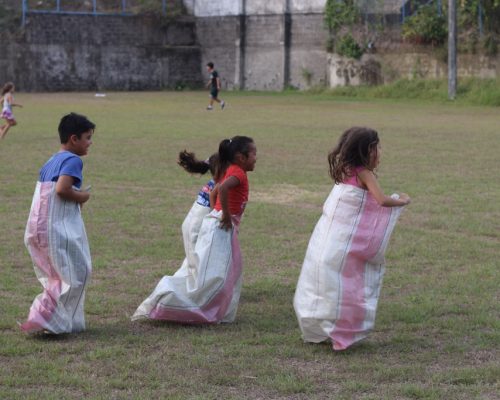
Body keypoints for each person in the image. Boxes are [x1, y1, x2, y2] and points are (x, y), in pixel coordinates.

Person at [293, 127, 410, 351]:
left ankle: (324, 326)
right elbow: (381, 200)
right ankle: (341, 330)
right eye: (378, 147)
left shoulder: (346, 170)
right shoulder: (364, 173)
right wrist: (402, 201)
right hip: (343, 241)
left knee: (329, 284)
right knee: (346, 284)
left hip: (331, 239)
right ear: (368, 150)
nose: (380, 152)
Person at [132, 136, 257, 324]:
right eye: (254, 154)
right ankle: (174, 302)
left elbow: (215, 191)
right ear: (240, 157)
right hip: (213, 227)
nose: (256, 157)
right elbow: (221, 189)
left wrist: (215, 212)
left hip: (212, 225)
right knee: (209, 274)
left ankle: (218, 309)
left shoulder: (232, 171)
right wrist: (223, 215)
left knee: (224, 269)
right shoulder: (237, 173)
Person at [21, 113, 95, 334]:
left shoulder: (51, 160)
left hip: (37, 228)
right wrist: (83, 196)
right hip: (55, 230)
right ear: (74, 139)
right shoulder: (73, 160)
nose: (90, 142)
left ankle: (46, 317)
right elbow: (62, 189)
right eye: (88, 137)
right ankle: (53, 320)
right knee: (78, 272)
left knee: (56, 276)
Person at [172, 150, 218, 278]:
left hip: (191, 225)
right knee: (197, 266)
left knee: (192, 263)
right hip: (197, 229)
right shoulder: (219, 186)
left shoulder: (212, 184)